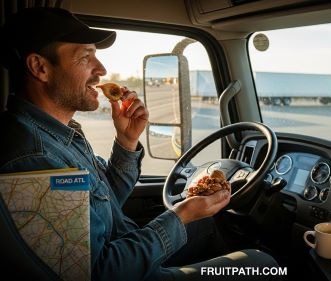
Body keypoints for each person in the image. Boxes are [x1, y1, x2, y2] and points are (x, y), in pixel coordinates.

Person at [0, 7, 281, 281]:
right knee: (264, 265)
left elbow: (106, 198)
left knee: (209, 222)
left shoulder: (59, 133)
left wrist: (127, 140)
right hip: (124, 269)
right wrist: (181, 215)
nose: (102, 69)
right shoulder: (33, 158)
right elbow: (101, 272)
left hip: (126, 247)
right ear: (40, 67)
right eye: (86, 57)